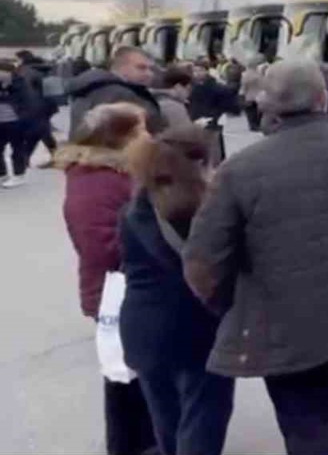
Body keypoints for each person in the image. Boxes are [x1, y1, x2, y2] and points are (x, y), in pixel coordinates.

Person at [183, 58, 328, 455]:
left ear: (266, 104)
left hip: (284, 323)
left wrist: (230, 306)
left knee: (305, 421)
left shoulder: (239, 170)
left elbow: (203, 262)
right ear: (323, 98)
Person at [120, 126, 235, 455]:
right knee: (203, 418)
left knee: (166, 419)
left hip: (141, 328)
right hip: (197, 329)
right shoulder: (205, 212)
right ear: (200, 163)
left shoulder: (135, 208)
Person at [52, 102, 157, 455]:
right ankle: (131, 446)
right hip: (118, 289)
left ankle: (144, 441)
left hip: (132, 286)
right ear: (119, 137)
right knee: (126, 378)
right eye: (141, 129)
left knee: (137, 373)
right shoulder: (95, 180)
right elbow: (100, 246)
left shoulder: (117, 172)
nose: (148, 136)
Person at [68, 46, 166, 136]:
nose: (149, 74)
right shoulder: (123, 95)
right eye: (141, 68)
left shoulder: (90, 88)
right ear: (121, 68)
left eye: (150, 69)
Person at [15, 50, 60, 163]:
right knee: (42, 132)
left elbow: (23, 91)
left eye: (17, 59)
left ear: (22, 59)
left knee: (34, 133)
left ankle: (25, 159)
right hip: (48, 106)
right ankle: (56, 156)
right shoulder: (48, 69)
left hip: (32, 107)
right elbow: (56, 90)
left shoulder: (25, 71)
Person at [0, 61, 39, 188]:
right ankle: (2, 174)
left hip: (16, 121)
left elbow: (26, 101)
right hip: (1, 121)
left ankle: (19, 175)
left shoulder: (19, 83)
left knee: (17, 149)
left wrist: (6, 90)